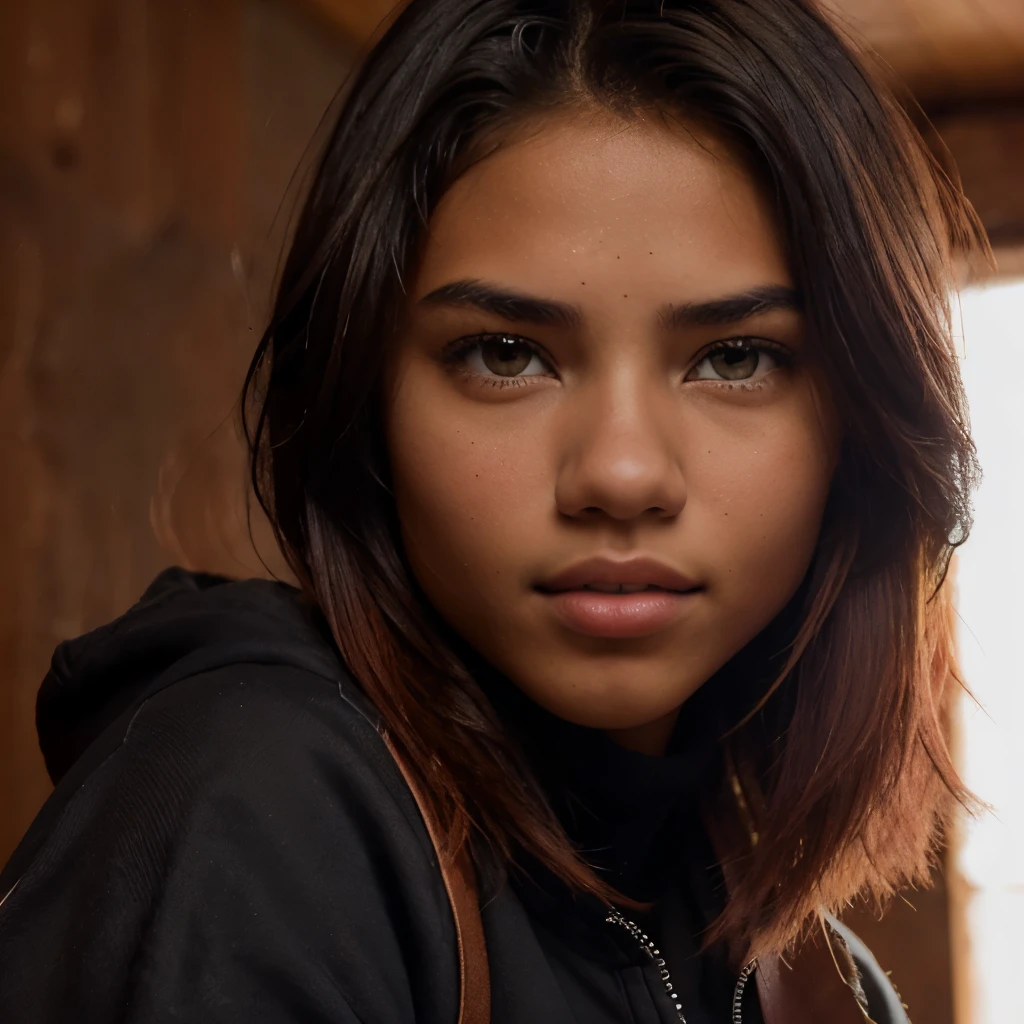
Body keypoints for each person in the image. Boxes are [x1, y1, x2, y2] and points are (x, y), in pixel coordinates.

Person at [0, 1, 985, 1021]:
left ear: (865, 426)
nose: (620, 472)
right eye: (505, 354)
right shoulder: (253, 816)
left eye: (733, 358)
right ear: (358, 397)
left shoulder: (819, 981)